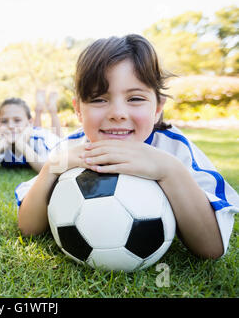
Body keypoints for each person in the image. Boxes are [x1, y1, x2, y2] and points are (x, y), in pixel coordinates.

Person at [15, 34, 238, 259]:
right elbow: (28, 229)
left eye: (135, 99)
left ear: (158, 107)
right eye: (99, 99)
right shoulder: (72, 149)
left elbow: (212, 249)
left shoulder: (175, 150)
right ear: (78, 109)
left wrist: (170, 171)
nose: (118, 114)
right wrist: (51, 168)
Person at [0, 97, 62, 174]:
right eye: (4, 121)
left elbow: (50, 172)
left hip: (59, 147)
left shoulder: (39, 138)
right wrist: (3, 143)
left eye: (17, 120)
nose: (11, 126)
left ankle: (52, 110)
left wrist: (21, 144)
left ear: (29, 123)